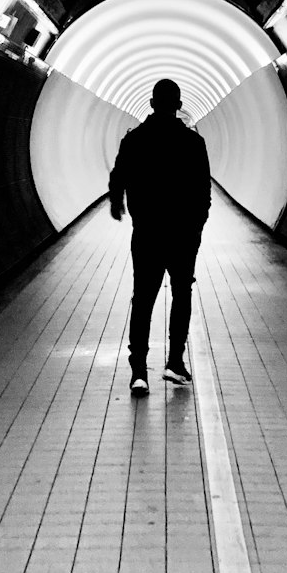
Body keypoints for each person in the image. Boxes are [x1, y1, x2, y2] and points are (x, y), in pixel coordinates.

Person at [108, 77, 211, 396]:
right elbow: (203, 190)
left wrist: (118, 204)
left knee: (143, 298)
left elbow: (118, 177)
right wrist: (197, 226)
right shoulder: (194, 143)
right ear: (179, 106)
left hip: (147, 233)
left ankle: (139, 371)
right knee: (181, 295)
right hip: (182, 234)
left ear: (151, 104)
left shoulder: (134, 139)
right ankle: (175, 363)